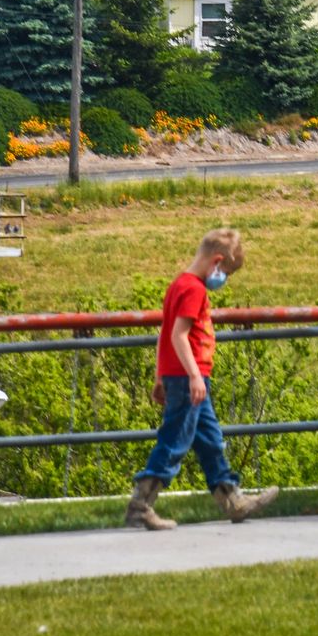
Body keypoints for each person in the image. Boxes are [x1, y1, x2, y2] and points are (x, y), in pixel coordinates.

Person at [123, 227, 279, 531]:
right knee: (175, 439)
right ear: (216, 261)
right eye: (226, 274)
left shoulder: (177, 284)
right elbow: (178, 335)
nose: (223, 281)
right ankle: (141, 505)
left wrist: (160, 376)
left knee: (209, 440)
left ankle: (231, 500)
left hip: (185, 377)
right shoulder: (194, 289)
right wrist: (193, 376)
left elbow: (164, 335)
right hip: (188, 378)